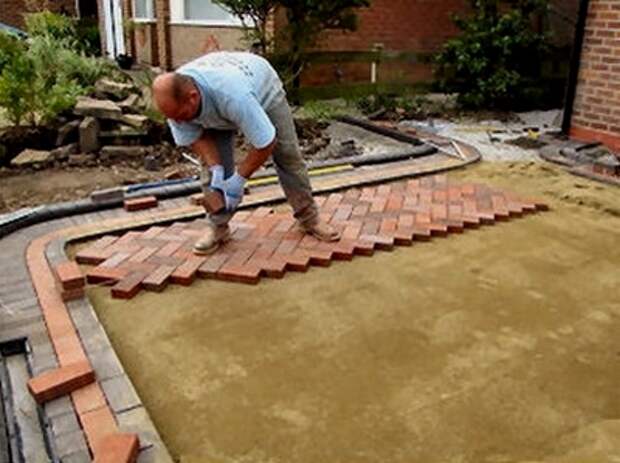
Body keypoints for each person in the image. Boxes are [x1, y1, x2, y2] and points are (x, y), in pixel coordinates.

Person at [152, 51, 341, 255]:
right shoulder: (175, 103)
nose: (178, 122)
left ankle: (309, 219)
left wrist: (239, 180)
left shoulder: (233, 94)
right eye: (173, 118)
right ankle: (218, 227)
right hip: (220, 102)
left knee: (287, 155)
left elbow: (266, 143)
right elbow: (195, 138)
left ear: (193, 97)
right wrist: (216, 168)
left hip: (263, 90)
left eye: (181, 116)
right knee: (211, 170)